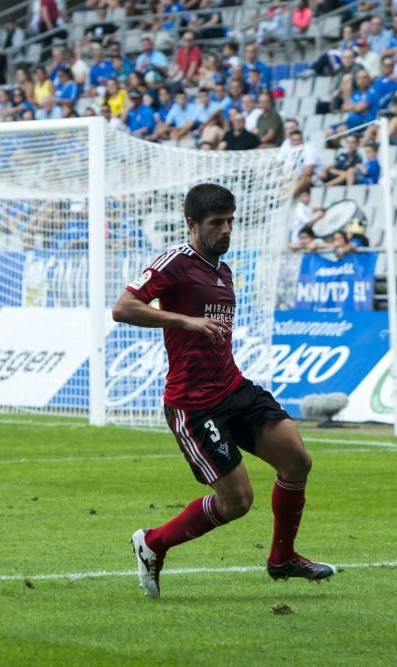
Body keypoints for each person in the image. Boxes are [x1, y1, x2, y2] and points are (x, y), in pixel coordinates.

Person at [113, 184, 335, 599]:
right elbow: (122, 307)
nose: (226, 230)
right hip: (193, 404)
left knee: (297, 460)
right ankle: (153, 543)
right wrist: (185, 322)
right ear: (192, 224)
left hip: (233, 388)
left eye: (230, 221)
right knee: (237, 502)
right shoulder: (176, 263)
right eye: (217, 223)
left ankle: (282, 558)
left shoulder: (222, 269)